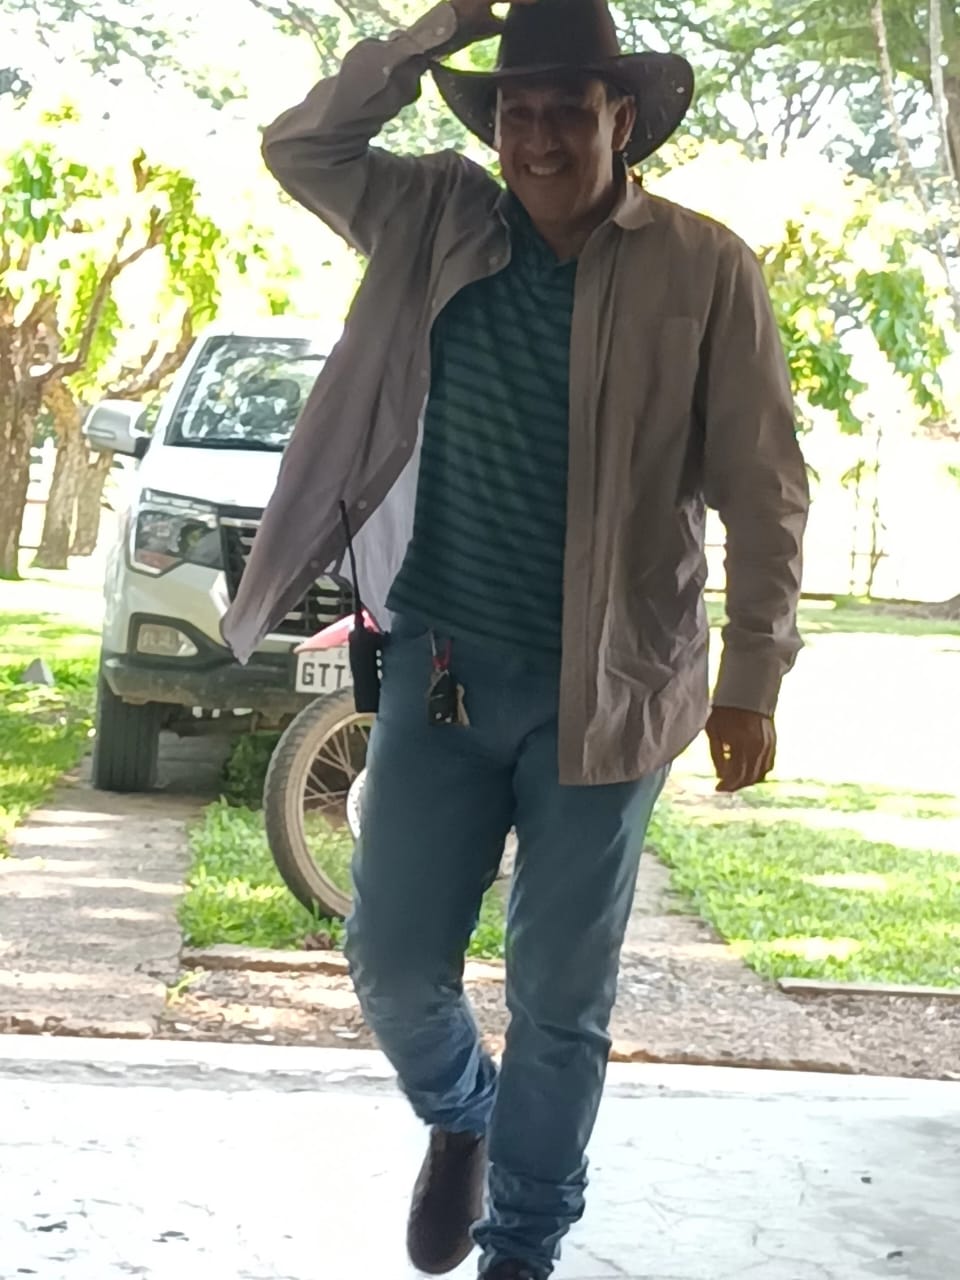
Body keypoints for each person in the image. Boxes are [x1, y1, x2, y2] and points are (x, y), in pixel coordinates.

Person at [223, 0, 809, 1275]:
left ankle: (524, 1246)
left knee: (560, 995)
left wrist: (755, 672)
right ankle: (462, 1112)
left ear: (622, 117)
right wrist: (435, 33)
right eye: (516, 112)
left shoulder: (705, 266)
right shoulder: (433, 214)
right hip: (441, 668)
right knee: (390, 960)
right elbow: (300, 148)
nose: (538, 139)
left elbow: (765, 485)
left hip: (615, 681)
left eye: (567, 111)